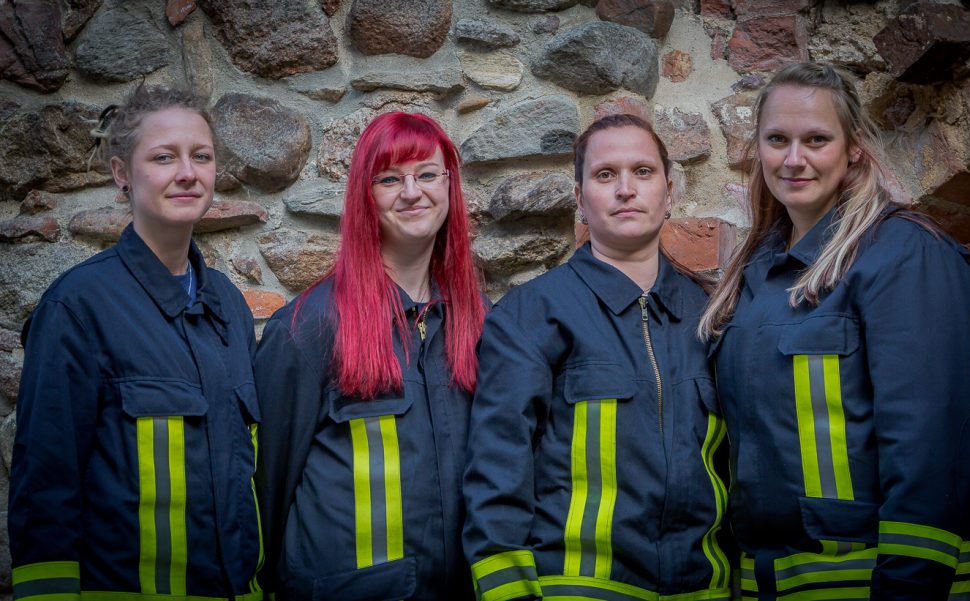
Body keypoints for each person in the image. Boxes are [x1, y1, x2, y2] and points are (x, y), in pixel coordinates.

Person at [698, 62, 970, 600]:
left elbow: (930, 451)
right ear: (757, 147)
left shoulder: (904, 255)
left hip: (871, 586)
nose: (793, 159)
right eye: (777, 139)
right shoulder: (755, 275)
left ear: (853, 148)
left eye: (817, 139)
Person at [463, 113, 733, 601]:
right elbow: (497, 471)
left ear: (669, 192)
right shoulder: (530, 316)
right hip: (577, 589)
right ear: (580, 199)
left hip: (703, 589)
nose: (625, 189)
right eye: (605, 175)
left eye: (643, 172)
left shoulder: (712, 316)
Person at [9, 85, 263, 600]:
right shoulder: (78, 307)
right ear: (122, 175)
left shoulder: (229, 307)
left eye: (202, 156)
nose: (187, 172)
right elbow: (46, 487)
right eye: (164, 157)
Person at [254, 112, 486, 601]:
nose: (411, 191)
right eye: (389, 178)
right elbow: (268, 490)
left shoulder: (478, 322)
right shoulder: (309, 328)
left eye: (427, 174)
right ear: (366, 193)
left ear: (450, 186)